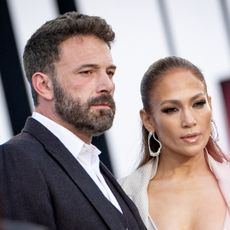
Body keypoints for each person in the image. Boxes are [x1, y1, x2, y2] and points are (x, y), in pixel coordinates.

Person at [0, 11, 146, 230]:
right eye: (87, 72)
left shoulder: (92, 163)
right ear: (44, 85)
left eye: (110, 72)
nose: (107, 84)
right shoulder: (16, 160)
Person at [120, 56, 230, 230]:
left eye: (198, 104)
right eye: (171, 109)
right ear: (148, 120)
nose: (189, 120)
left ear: (210, 104)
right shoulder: (124, 195)